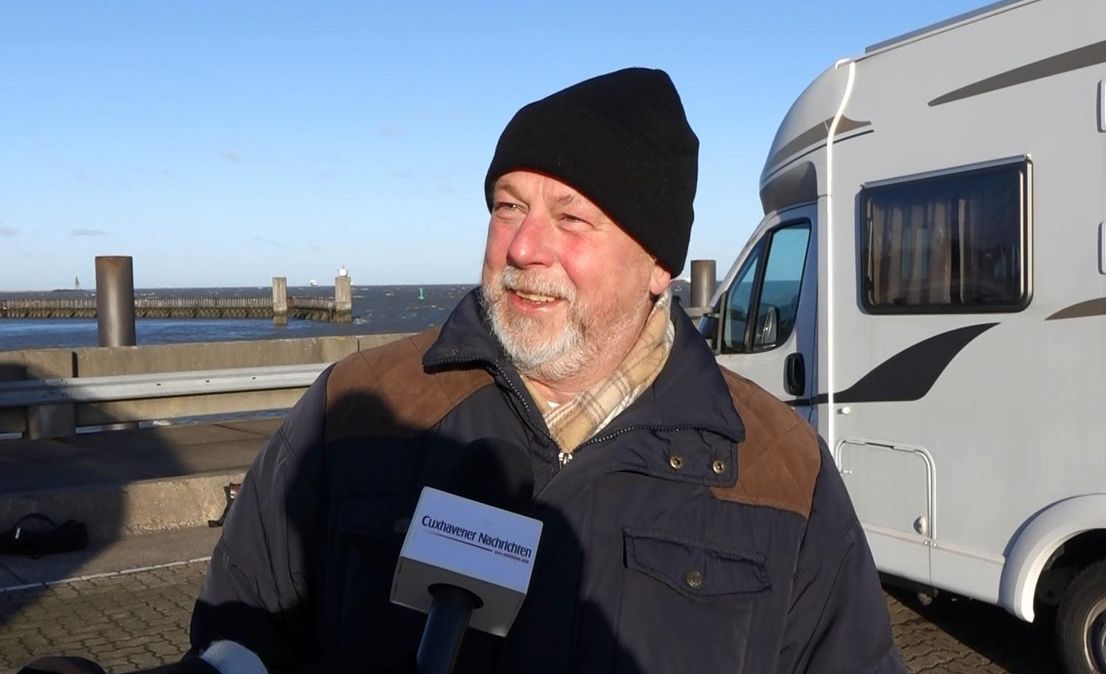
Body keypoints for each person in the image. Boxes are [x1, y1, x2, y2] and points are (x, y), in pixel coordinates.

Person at [187, 67, 905, 673]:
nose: (523, 247)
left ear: (657, 265)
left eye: (570, 218)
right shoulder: (361, 406)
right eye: (508, 207)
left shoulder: (780, 471)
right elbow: (245, 625)